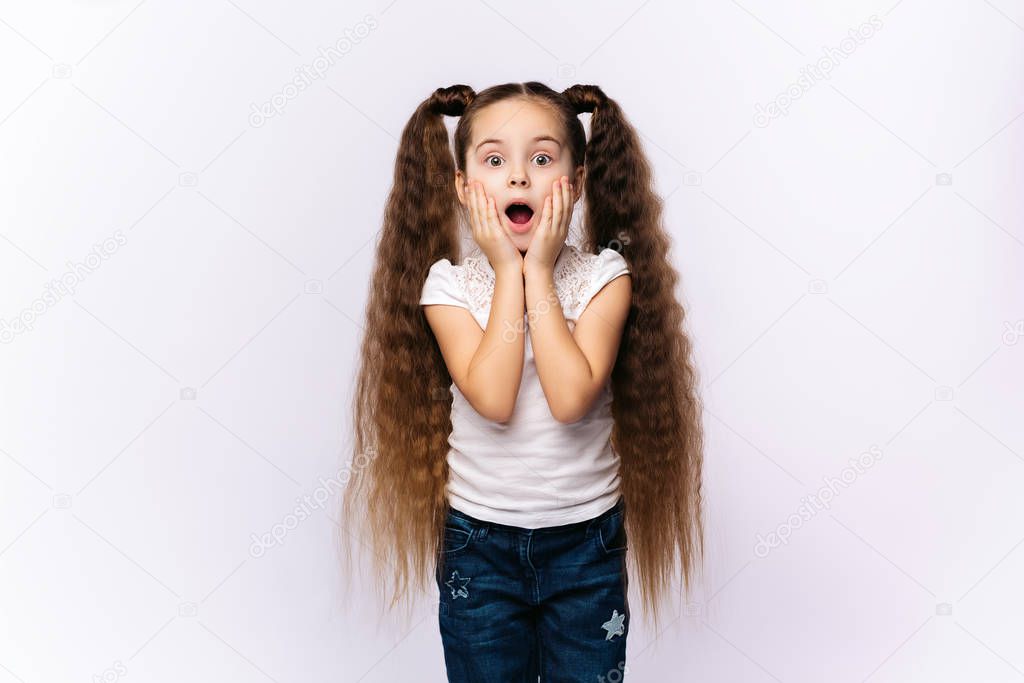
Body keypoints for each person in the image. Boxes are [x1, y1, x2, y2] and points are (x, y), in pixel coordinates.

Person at [340, 81, 704, 682]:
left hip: (587, 544)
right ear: (462, 187)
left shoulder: (605, 278)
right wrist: (511, 271)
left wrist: (538, 268)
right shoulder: (449, 288)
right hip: (477, 546)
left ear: (578, 179)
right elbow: (493, 398)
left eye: (541, 159)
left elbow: (569, 398)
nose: (518, 179)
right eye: (494, 160)